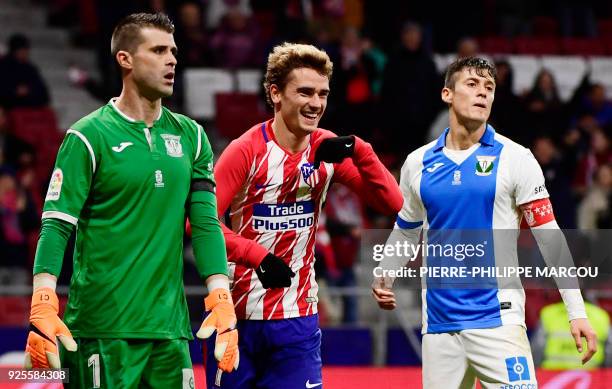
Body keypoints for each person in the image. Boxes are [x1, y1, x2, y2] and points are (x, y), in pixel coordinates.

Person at [23, 13, 239, 387]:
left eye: (173, 51)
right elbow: (56, 225)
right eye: (158, 51)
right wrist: (43, 301)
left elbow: (205, 224)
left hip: (170, 331)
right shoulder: (87, 137)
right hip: (101, 328)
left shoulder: (193, 138)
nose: (172, 60)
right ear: (125, 59)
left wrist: (221, 297)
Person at [372, 57, 597, 388]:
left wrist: (576, 311)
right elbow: (406, 230)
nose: (483, 94)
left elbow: (550, 238)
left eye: (489, 87)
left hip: (499, 322)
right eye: (472, 85)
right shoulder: (417, 163)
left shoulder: (516, 158)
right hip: (439, 327)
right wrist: (385, 274)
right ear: (447, 94)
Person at [206, 42, 403, 388]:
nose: (316, 103)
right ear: (276, 93)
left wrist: (361, 150)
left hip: (298, 319)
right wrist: (257, 255)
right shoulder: (245, 151)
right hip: (237, 317)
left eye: (323, 94)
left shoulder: (325, 149)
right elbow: (200, 222)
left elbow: (392, 202)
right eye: (305, 92)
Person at [0, 34, 50, 108]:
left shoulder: (30, 68)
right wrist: (14, 91)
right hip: (9, 106)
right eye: (22, 49)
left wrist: (29, 91)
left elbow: (43, 93)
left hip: (29, 106)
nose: (26, 52)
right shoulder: (3, 66)